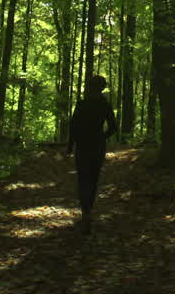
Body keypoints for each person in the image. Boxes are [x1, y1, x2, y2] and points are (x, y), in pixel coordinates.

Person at [65, 74, 117, 233]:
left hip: (82, 145)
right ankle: (88, 211)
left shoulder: (82, 104)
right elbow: (114, 127)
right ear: (102, 87)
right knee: (93, 178)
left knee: (83, 177)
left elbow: (73, 126)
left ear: (90, 87)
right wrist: (102, 137)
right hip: (97, 145)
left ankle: (85, 211)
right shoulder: (105, 105)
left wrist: (70, 146)